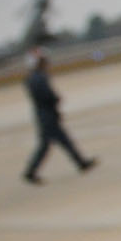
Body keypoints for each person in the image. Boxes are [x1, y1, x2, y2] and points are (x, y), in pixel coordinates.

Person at [21, 49, 96, 183]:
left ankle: (81, 163)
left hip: (46, 114)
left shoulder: (33, 77)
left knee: (60, 141)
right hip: (47, 116)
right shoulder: (37, 78)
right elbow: (46, 95)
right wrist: (55, 99)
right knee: (50, 144)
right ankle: (30, 172)